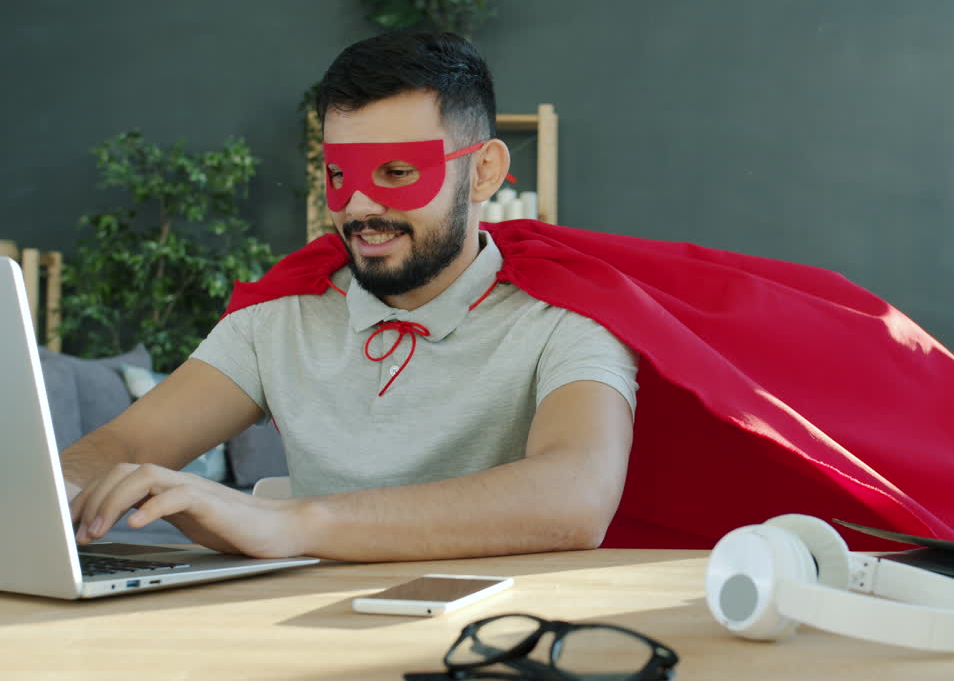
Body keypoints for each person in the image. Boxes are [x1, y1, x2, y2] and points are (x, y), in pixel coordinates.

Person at [63, 31, 640, 562]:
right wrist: (53, 496)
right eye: (341, 174)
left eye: (395, 171)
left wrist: (290, 523)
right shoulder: (278, 316)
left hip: (494, 638)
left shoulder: (570, 317)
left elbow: (576, 494)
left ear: (484, 173)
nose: (359, 207)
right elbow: (128, 440)